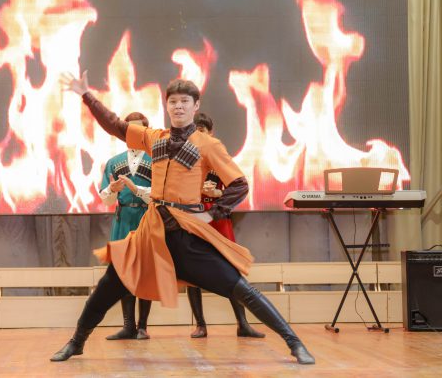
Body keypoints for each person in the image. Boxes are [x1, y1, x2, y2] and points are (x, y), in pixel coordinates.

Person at [51, 72, 315, 365]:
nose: (178, 106)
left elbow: (239, 185)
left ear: (195, 105)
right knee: (107, 287)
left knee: (240, 288)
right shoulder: (155, 138)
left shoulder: (207, 145)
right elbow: (115, 125)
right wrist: (87, 95)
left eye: (184, 101)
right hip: (151, 235)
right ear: (167, 106)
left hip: (186, 237)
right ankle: (76, 342)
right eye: (173, 101)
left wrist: (211, 213)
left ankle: (295, 343)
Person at [186, 112, 265, 339]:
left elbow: (236, 188)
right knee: (191, 272)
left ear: (211, 133)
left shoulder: (219, 156)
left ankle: (243, 324)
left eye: (203, 132)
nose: (199, 136)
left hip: (218, 219)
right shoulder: (185, 160)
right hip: (194, 219)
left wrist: (217, 194)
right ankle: (200, 325)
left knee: (231, 271)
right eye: (195, 132)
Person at [99, 112, 154, 340]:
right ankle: (128, 326)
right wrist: (112, 190)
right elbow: (105, 198)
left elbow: (160, 194)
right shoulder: (114, 162)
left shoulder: (156, 160)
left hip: (146, 218)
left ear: (146, 131)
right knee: (123, 272)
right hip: (122, 219)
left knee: (146, 272)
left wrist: (135, 189)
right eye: (128, 129)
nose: (133, 133)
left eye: (138, 129)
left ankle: (142, 327)